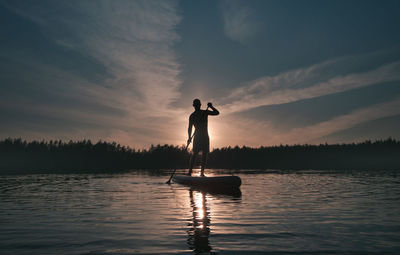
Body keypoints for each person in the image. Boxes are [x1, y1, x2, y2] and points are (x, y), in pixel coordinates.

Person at [187, 99, 219, 176]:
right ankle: (189, 172)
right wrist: (189, 137)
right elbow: (190, 127)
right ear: (194, 106)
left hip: (205, 136)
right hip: (197, 137)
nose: (197, 106)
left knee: (205, 154)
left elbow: (217, 113)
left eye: (198, 105)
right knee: (194, 154)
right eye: (196, 105)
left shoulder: (204, 112)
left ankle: (201, 173)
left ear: (200, 105)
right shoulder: (192, 116)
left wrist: (211, 106)